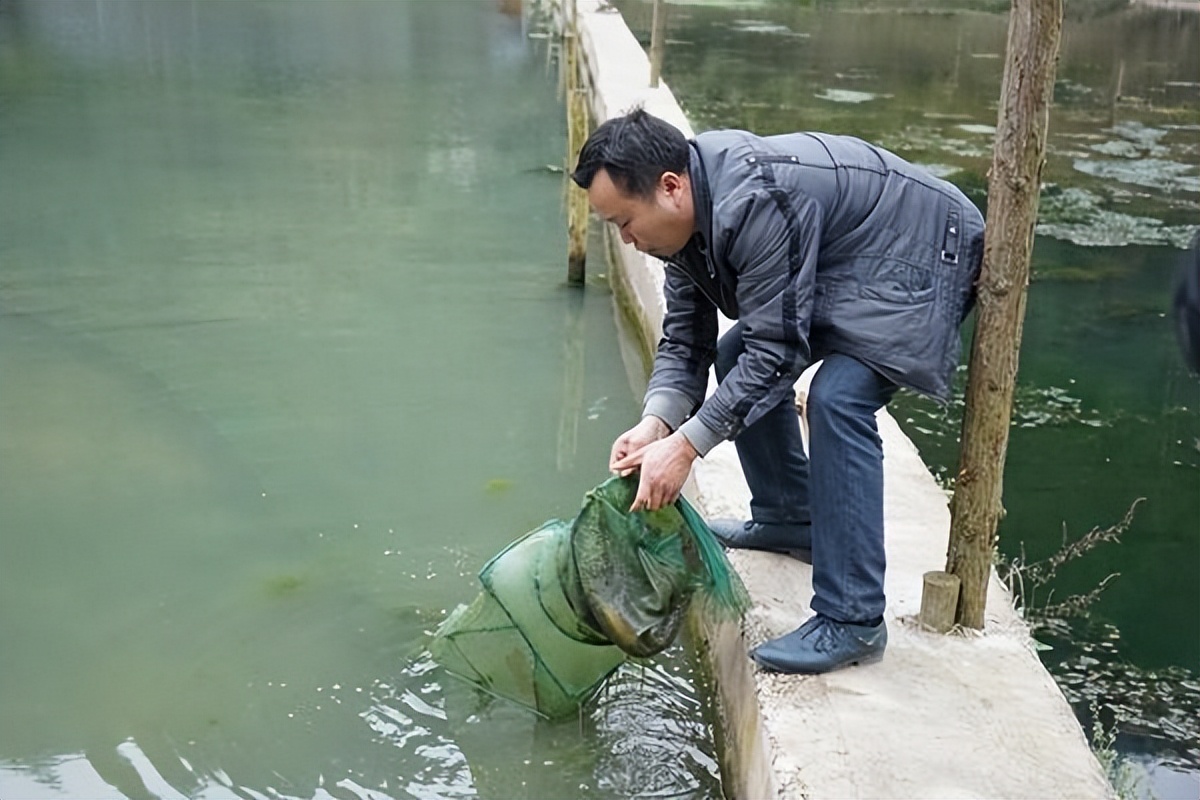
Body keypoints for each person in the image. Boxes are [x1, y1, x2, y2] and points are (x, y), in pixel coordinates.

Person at [572, 109, 984, 674]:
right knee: (733, 352)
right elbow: (687, 341)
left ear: (670, 188)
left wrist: (687, 447)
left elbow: (779, 353)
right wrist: (656, 423)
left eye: (625, 221)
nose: (627, 240)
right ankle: (791, 516)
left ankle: (853, 619)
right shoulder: (681, 226)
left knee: (838, 398)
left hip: (922, 251)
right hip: (852, 259)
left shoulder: (755, 202)